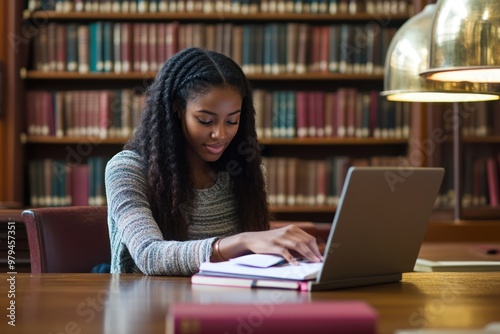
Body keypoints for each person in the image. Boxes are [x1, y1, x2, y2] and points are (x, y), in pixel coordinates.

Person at [105, 47, 323, 275]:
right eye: (206, 121)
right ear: (176, 108)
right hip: (151, 304)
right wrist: (241, 241)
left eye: (232, 121)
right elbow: (150, 255)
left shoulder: (244, 171)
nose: (220, 134)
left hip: (227, 301)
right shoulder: (127, 169)